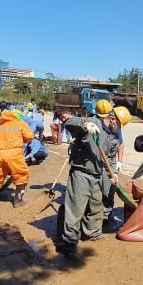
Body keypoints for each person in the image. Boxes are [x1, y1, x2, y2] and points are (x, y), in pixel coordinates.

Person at [55, 109, 111, 261]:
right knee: (75, 209)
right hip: (81, 173)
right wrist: (85, 124)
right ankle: (68, 243)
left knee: (96, 206)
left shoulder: (109, 133)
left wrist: (113, 174)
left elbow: (107, 156)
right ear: (113, 119)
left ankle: (92, 232)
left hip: (97, 174)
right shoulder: (94, 122)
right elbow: (69, 122)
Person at [0, 110, 34, 207]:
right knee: (21, 175)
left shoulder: (0, 127)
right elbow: (29, 137)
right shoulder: (21, 124)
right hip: (14, 153)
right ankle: (18, 201)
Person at [97, 102, 132, 224]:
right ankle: (96, 212)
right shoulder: (99, 127)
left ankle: (107, 214)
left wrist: (120, 161)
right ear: (112, 119)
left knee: (110, 189)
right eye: (119, 124)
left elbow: (121, 144)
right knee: (98, 189)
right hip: (98, 161)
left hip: (111, 162)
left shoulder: (116, 129)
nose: (120, 127)